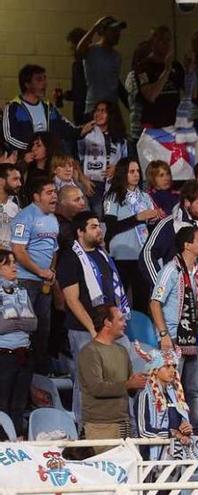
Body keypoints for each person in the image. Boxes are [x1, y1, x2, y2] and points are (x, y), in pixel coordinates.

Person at [58, 210, 132, 422]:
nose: (99, 230)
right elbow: (72, 300)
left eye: (99, 226)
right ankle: (83, 433)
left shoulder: (102, 255)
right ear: (80, 232)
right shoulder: (70, 258)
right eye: (93, 226)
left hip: (113, 328)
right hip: (84, 331)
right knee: (86, 383)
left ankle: (122, 425)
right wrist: (93, 329)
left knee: (123, 377)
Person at [150, 227, 198, 431]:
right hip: (172, 338)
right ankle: (171, 428)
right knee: (172, 387)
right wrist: (163, 335)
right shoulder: (170, 270)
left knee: (194, 390)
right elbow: (155, 302)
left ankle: (195, 429)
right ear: (187, 245)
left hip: (192, 338)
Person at [78, 304, 146, 449]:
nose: (125, 324)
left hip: (125, 424)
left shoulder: (122, 351)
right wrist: (129, 384)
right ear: (107, 322)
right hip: (100, 427)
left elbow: (129, 389)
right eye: (121, 320)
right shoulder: (90, 352)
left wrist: (140, 382)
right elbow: (97, 388)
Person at [10, 176, 57, 374]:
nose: (54, 196)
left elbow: (54, 249)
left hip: (45, 282)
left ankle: (38, 374)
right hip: (25, 281)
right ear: (36, 197)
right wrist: (40, 271)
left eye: (55, 192)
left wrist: (51, 271)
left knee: (43, 330)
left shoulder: (53, 219)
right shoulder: (24, 217)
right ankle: (20, 373)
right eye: (49, 193)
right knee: (24, 329)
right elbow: (19, 251)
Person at [140, 180, 198, 295]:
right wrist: (162, 288)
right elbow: (147, 254)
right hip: (177, 298)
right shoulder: (170, 224)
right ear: (187, 202)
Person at [104, 160, 163, 312]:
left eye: (137, 171)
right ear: (123, 173)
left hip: (141, 255)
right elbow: (111, 227)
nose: (136, 175)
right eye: (131, 171)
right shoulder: (113, 196)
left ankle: (140, 333)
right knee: (119, 301)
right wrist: (137, 218)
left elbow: (150, 226)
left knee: (142, 301)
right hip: (120, 255)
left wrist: (153, 219)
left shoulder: (145, 197)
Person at [132, 344, 194, 461]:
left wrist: (186, 430)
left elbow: (179, 426)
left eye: (174, 366)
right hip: (151, 459)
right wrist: (173, 433)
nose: (172, 370)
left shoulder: (176, 395)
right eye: (167, 366)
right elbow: (144, 432)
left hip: (175, 456)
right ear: (155, 369)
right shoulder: (145, 394)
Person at [0, 249, 37, 437]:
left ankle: (18, 440)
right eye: (8, 263)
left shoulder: (21, 290)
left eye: (14, 262)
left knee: (19, 405)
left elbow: (34, 323)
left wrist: (13, 322)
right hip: (4, 356)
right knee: (2, 405)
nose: (14, 266)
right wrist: (19, 321)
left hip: (24, 354)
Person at [3, 64, 82, 152]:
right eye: (39, 79)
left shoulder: (49, 108)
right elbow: (9, 138)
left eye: (45, 78)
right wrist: (33, 149)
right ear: (27, 84)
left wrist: (83, 130)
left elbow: (67, 129)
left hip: (50, 159)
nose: (45, 83)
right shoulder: (13, 108)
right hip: (26, 160)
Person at [78, 101, 128, 213]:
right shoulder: (85, 134)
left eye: (103, 111)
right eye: (97, 110)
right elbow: (74, 159)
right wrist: (82, 179)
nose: (99, 114)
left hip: (113, 186)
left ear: (111, 115)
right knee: (96, 217)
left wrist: (117, 168)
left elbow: (127, 163)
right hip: (90, 185)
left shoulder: (120, 138)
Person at [135, 26, 185, 130]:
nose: (165, 44)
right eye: (161, 40)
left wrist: (191, 71)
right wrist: (166, 71)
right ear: (153, 42)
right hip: (153, 123)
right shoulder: (144, 67)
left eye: (168, 40)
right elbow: (150, 95)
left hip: (173, 123)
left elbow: (187, 93)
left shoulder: (176, 65)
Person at [76, 16, 126, 113]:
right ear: (103, 32)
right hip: (94, 108)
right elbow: (79, 50)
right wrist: (95, 27)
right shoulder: (92, 51)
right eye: (113, 30)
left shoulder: (117, 56)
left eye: (118, 31)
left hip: (111, 109)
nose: (117, 34)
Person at [0, 164, 22, 250]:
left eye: (19, 179)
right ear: (1, 181)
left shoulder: (16, 208)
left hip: (12, 259)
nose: (19, 184)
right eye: (15, 179)